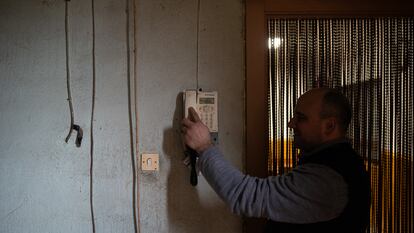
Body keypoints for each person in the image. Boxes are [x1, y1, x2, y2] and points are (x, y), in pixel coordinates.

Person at [181, 88, 370, 233]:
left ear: (329, 126)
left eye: (301, 118)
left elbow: (244, 195)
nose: (291, 124)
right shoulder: (330, 163)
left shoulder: (330, 180)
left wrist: (204, 147)